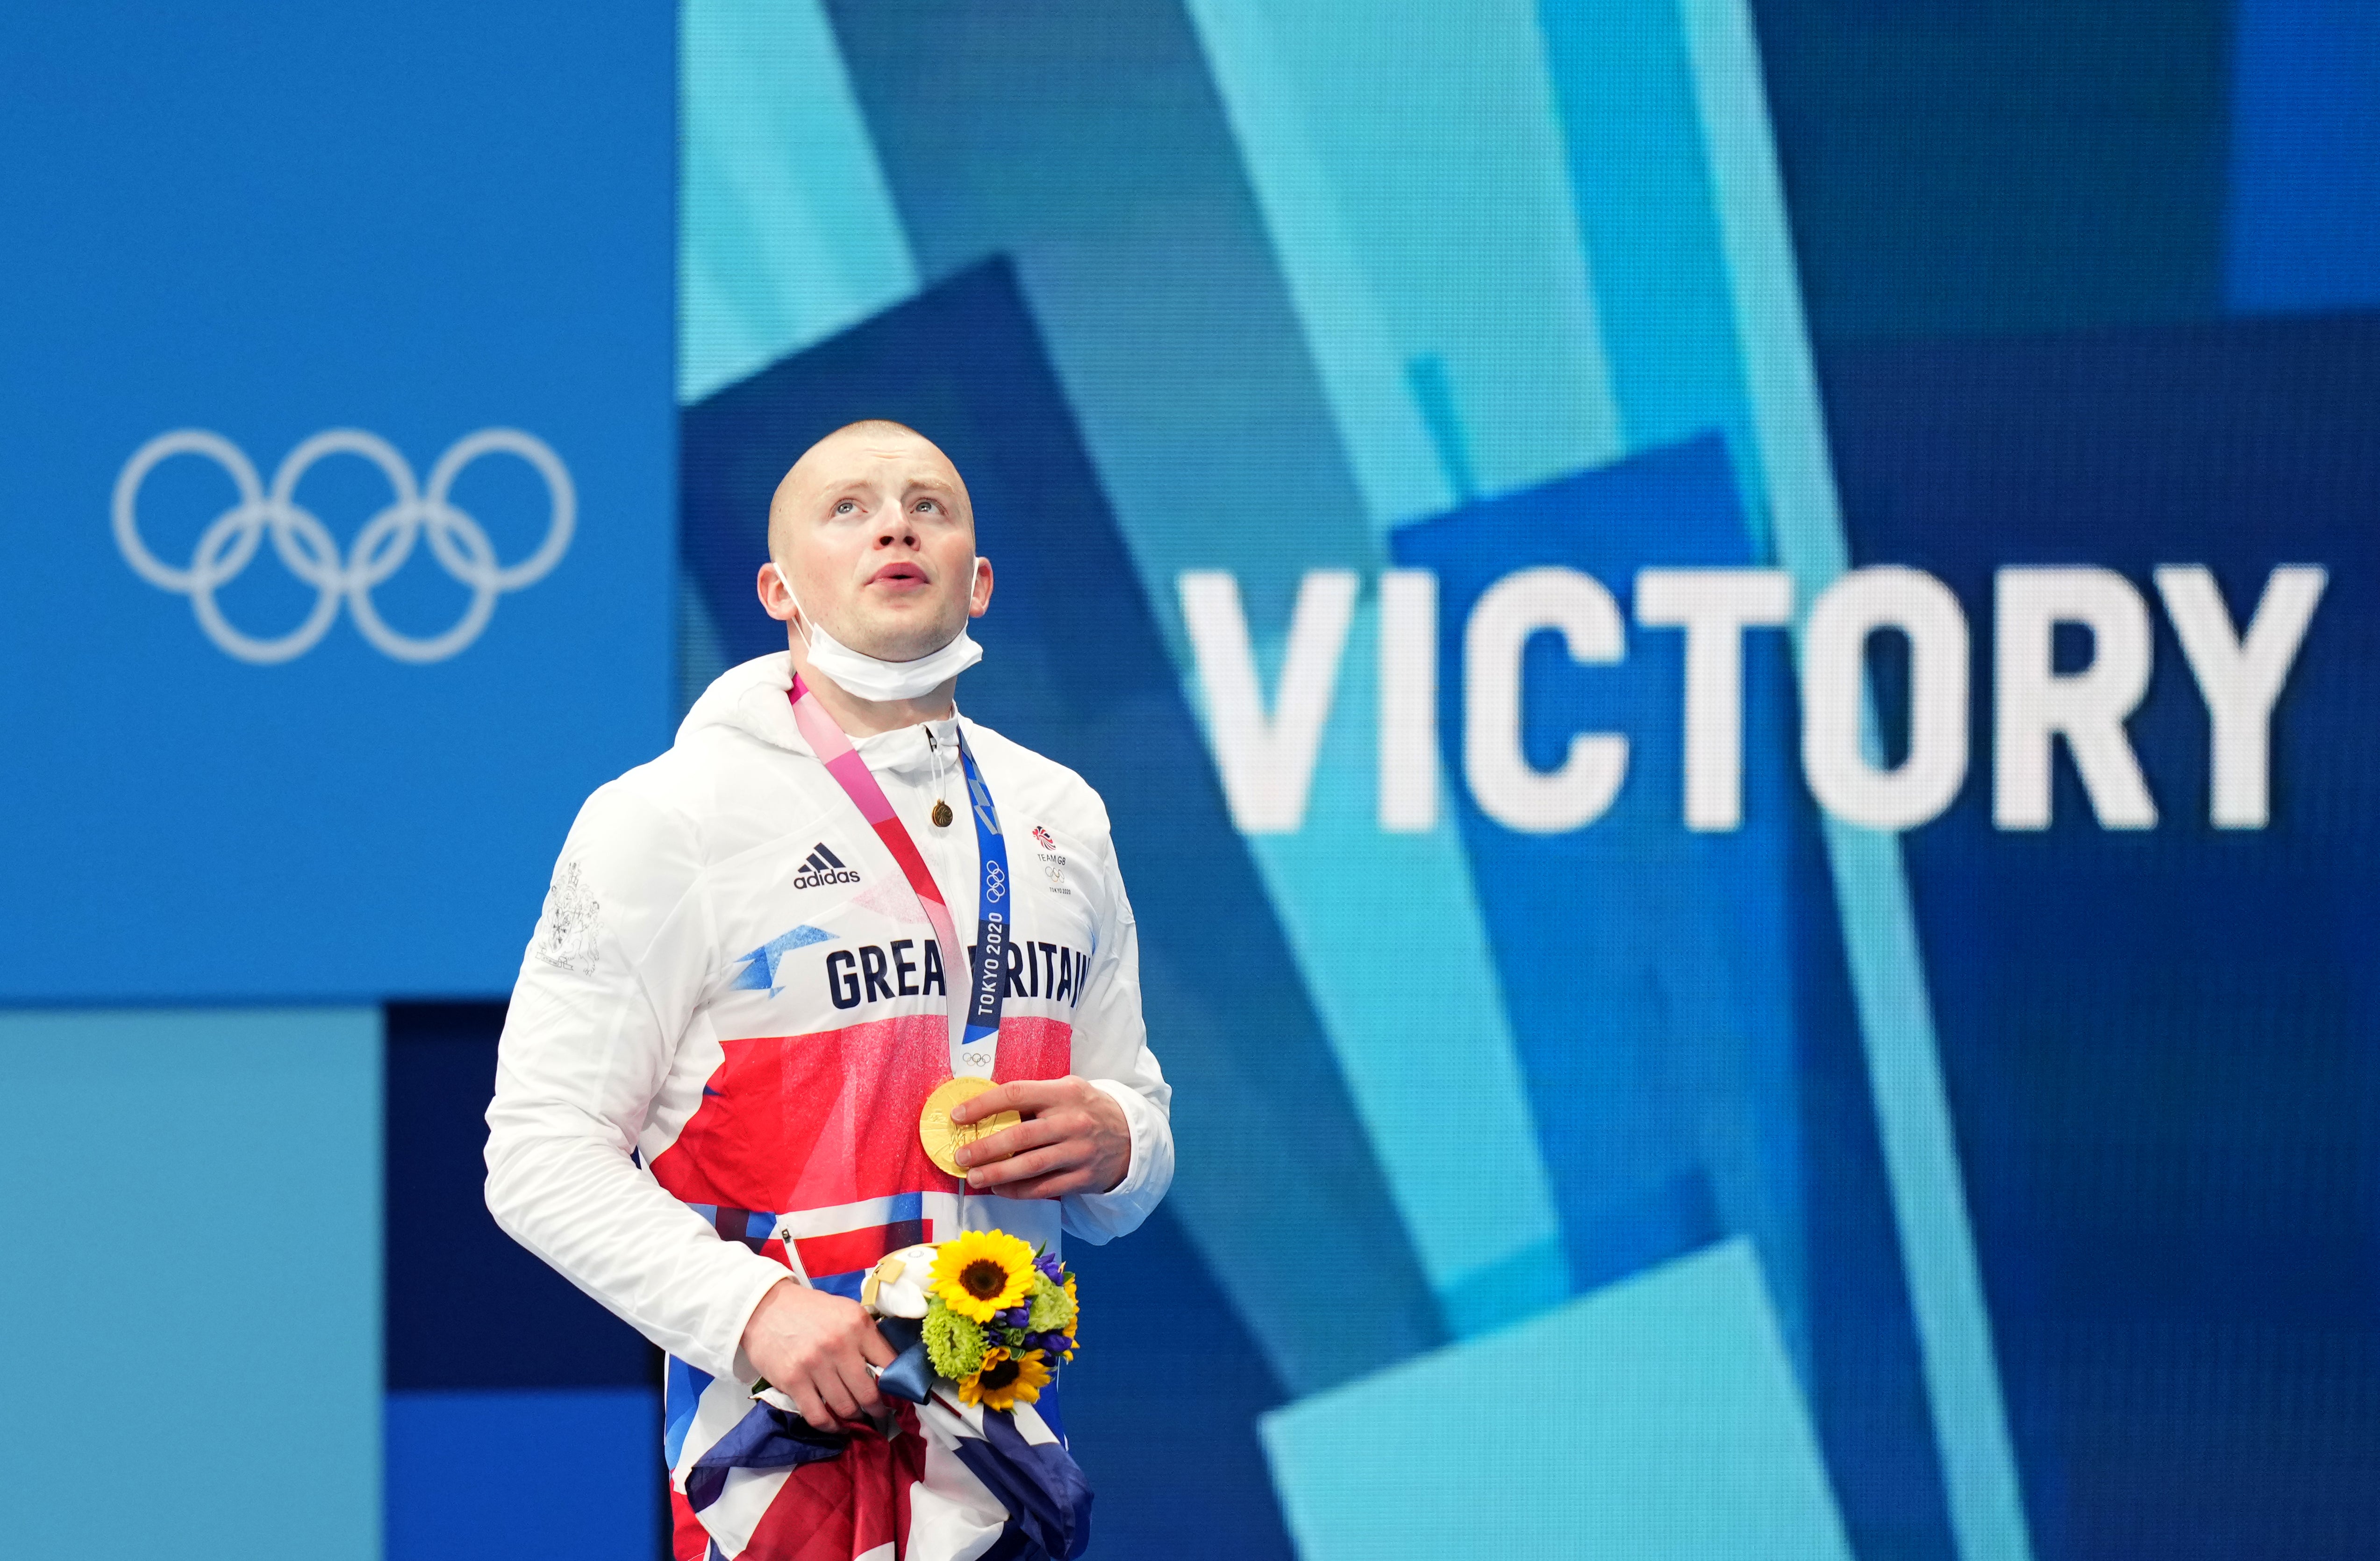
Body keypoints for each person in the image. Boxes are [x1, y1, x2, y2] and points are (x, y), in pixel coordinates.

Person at [486, 421, 1173, 1560]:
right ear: (776, 587)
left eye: (930, 506)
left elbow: (1133, 1127)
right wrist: (749, 1312)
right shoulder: (668, 818)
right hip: (782, 1483)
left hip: (1014, 1476)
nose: (895, 523)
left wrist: (1117, 1142)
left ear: (981, 582)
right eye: (847, 508)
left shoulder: (1065, 814)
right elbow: (539, 1152)